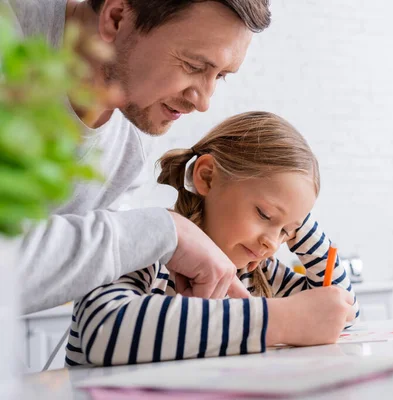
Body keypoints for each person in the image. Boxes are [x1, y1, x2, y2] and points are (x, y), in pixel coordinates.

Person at [7, 0, 271, 314]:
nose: (203, 102)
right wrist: (164, 231)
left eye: (221, 76)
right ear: (117, 17)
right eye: (193, 65)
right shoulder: (9, 37)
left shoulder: (132, 131)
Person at [65, 112, 359, 366]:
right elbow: (103, 331)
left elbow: (338, 311)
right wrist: (276, 320)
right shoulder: (147, 244)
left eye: (285, 233)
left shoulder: (256, 275)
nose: (273, 243)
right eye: (264, 214)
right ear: (206, 177)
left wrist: (297, 219)